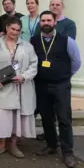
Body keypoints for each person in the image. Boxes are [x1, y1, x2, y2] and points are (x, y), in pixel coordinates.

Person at [31, 11, 81, 168]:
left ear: (55, 23)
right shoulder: (33, 41)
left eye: (49, 20)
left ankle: (68, 152)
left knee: (64, 119)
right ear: (40, 23)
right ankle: (51, 145)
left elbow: (76, 62)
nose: (46, 23)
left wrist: (65, 76)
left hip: (61, 85)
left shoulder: (67, 40)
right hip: (41, 85)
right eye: (43, 20)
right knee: (46, 118)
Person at [0, 16, 38, 157]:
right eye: (13, 29)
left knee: (17, 116)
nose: (15, 32)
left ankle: (13, 145)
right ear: (7, 27)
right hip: (3, 87)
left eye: (18, 30)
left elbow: (34, 64)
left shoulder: (27, 46)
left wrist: (24, 76)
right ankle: (2, 144)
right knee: (3, 116)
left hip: (21, 87)